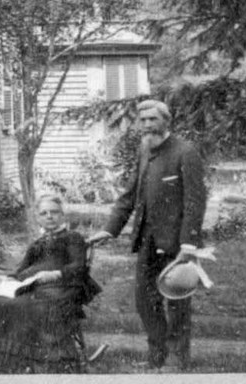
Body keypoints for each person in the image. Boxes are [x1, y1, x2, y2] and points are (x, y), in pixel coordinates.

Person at [88, 98, 207, 371]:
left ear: (167, 120)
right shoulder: (144, 149)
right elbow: (130, 194)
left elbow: (195, 201)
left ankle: (177, 360)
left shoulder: (185, 151)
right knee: (145, 301)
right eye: (143, 120)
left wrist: (188, 245)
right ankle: (157, 356)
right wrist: (109, 229)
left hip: (178, 245)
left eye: (153, 119)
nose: (147, 125)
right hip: (147, 240)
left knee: (177, 303)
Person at [0, 193, 101, 373]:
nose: (49, 216)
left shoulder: (72, 237)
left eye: (54, 212)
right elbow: (22, 267)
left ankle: (48, 359)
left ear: (62, 215)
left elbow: (79, 266)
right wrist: (10, 279)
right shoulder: (38, 242)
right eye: (44, 213)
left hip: (63, 286)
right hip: (34, 285)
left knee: (38, 306)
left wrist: (55, 274)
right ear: (38, 218)